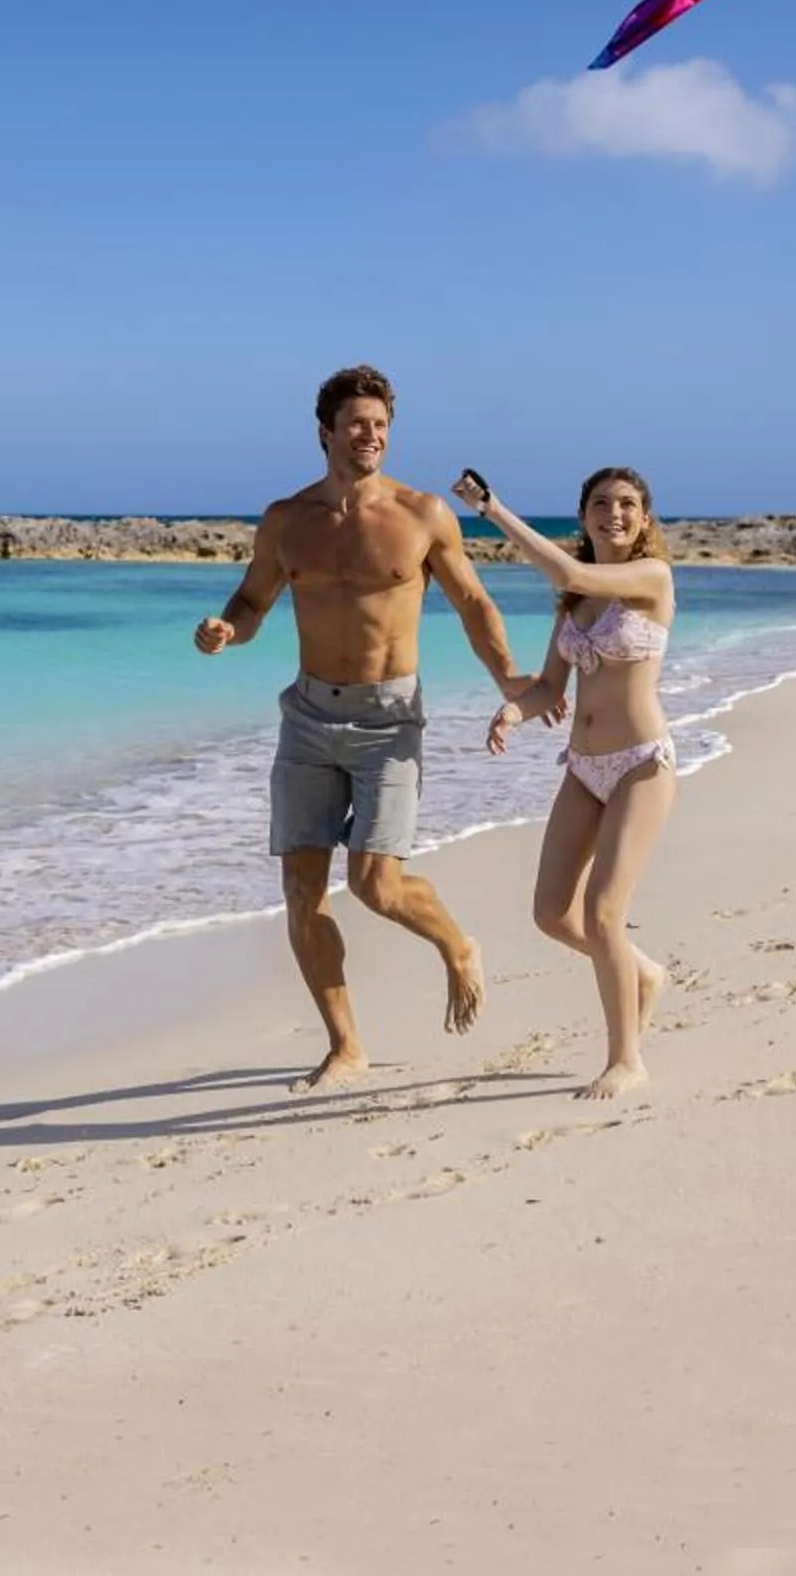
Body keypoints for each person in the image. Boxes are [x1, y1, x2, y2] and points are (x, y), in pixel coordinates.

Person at [195, 365, 535, 1090]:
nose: (371, 435)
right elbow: (252, 600)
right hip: (311, 714)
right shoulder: (286, 520)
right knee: (300, 890)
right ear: (325, 433)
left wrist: (510, 680)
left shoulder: (422, 514)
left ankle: (457, 944)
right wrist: (228, 629)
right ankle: (346, 1046)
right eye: (357, 424)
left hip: (388, 719)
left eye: (381, 425)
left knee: (378, 885)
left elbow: (473, 604)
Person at [459, 465, 678, 1100]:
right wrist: (512, 709)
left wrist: (494, 510)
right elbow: (552, 688)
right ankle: (642, 974)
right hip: (583, 768)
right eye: (602, 503)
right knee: (552, 914)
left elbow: (572, 571)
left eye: (629, 505)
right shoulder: (575, 603)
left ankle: (626, 1059)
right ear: (583, 514)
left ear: (644, 518)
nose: (615, 513)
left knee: (604, 913)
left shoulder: (651, 579)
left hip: (640, 763)